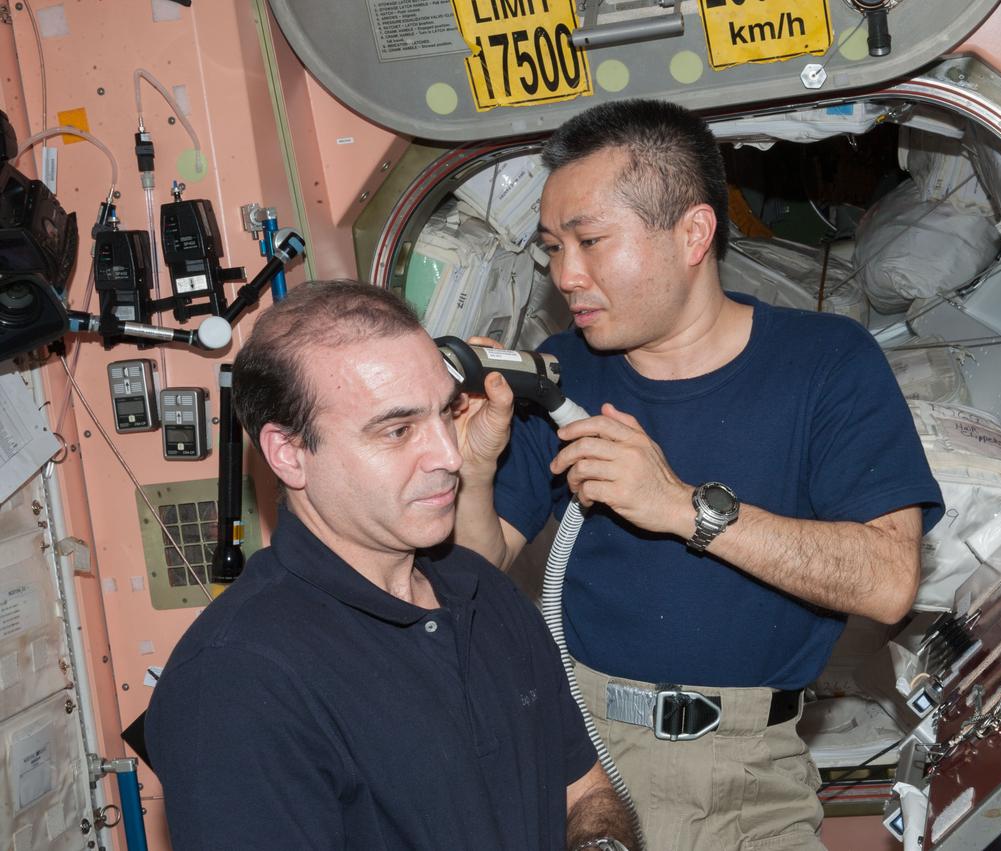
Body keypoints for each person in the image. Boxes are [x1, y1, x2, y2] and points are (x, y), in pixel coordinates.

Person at [453, 99, 944, 850]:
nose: (566, 274)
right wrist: (474, 467)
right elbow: (473, 569)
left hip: (754, 772)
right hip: (582, 753)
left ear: (693, 232)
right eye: (552, 247)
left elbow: (888, 581)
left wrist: (683, 507)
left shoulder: (826, 363)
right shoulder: (560, 372)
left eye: (590, 241)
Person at [145, 280, 636, 851]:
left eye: (445, 413)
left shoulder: (483, 590)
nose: (449, 456)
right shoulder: (234, 682)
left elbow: (585, 791)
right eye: (398, 430)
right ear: (289, 453)